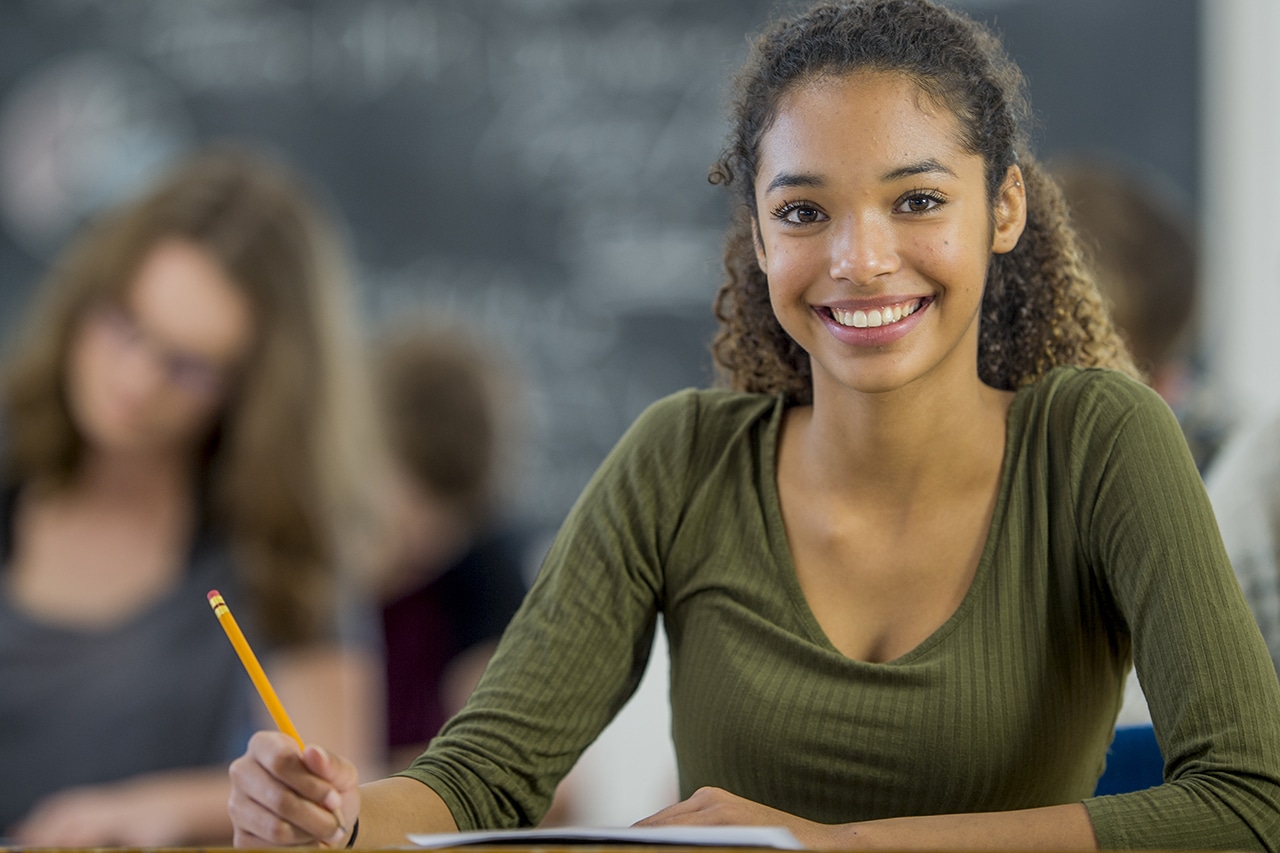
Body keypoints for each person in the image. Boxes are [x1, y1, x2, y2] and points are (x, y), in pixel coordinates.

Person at [227, 1, 1280, 849]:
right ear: (759, 234)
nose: (858, 259)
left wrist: (837, 845)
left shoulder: (1096, 444)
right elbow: (483, 775)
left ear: (1002, 208)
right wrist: (341, 816)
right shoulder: (680, 461)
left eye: (915, 201)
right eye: (803, 210)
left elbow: (1248, 801)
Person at [0, 144, 386, 845]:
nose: (136, 380)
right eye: (123, 324)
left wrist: (161, 807)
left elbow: (340, 791)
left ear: (254, 390)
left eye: (189, 367)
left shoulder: (277, 539)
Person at [372, 327, 531, 771]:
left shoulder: (482, 567)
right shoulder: (288, 556)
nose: (426, 543)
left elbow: (514, 764)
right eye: (412, 508)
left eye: (451, 524)